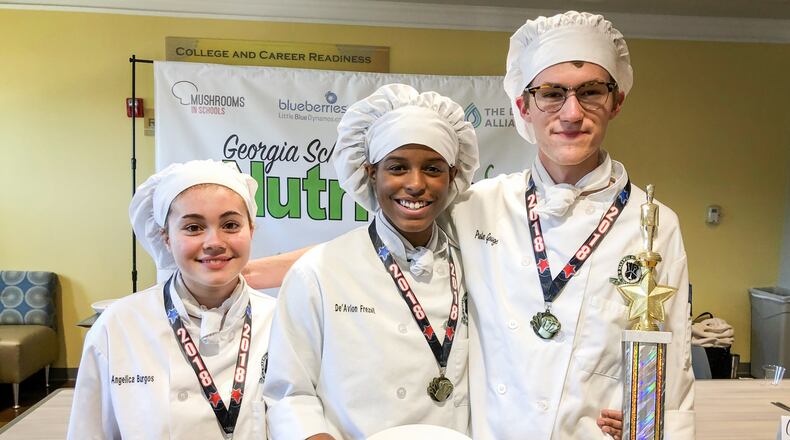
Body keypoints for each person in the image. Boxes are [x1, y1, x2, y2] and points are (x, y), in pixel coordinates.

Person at [444, 11, 695, 439]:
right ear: (524, 106)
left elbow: (672, 365)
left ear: (616, 102)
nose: (572, 113)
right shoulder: (476, 206)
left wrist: (648, 424)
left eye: (591, 92)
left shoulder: (654, 223)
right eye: (552, 93)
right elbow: (384, 254)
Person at [262, 83, 479, 439]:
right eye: (397, 167)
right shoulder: (320, 270)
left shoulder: (475, 265)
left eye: (433, 169)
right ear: (370, 173)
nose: (415, 184)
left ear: (453, 176)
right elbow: (289, 390)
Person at [67, 160, 276, 439]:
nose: (214, 241)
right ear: (165, 237)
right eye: (193, 227)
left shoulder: (280, 320)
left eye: (230, 224)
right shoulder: (118, 326)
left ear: (251, 229)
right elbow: (89, 432)